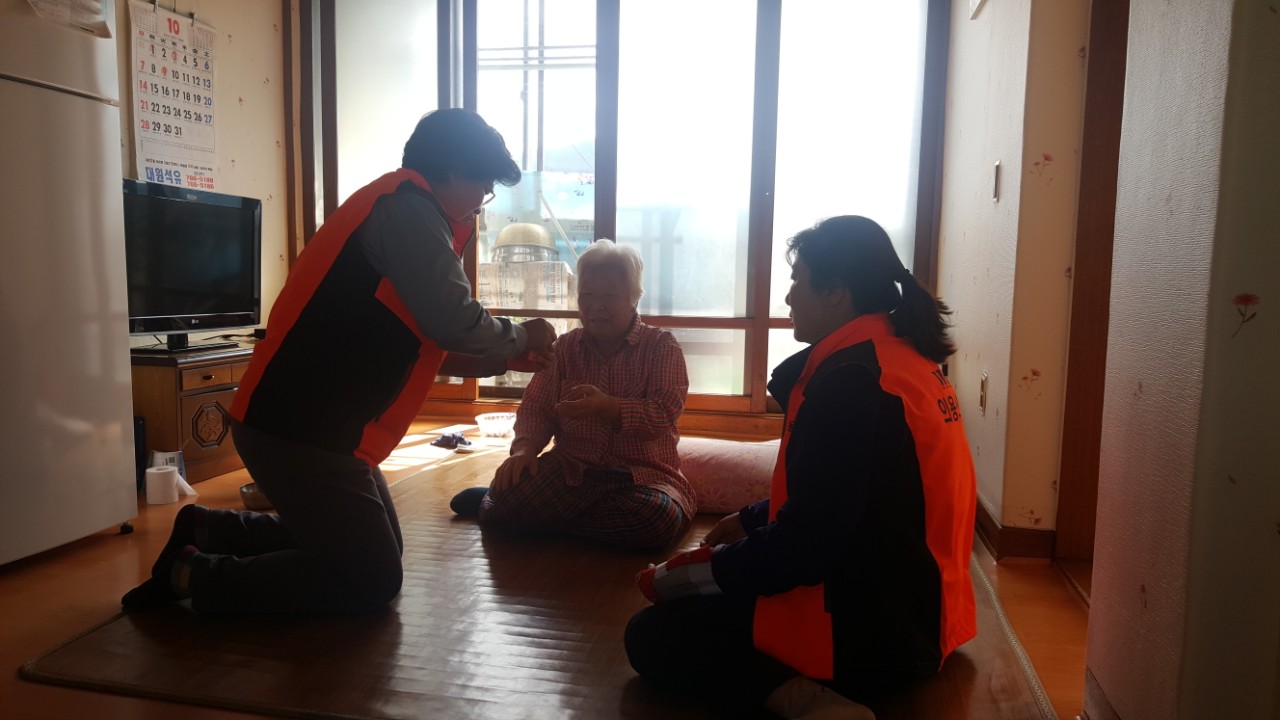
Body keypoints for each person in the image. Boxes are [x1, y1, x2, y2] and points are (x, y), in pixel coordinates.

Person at [122, 108, 557, 614]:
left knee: (372, 549)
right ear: (454, 169)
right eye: (484, 186)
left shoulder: (408, 211)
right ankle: (193, 574)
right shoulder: (409, 212)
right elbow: (453, 319)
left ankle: (207, 529)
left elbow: (420, 342)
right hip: (298, 428)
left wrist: (503, 359)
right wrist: (520, 334)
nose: (483, 201)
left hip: (322, 428)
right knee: (371, 576)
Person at [624, 216, 978, 719]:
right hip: (927, 616)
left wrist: (688, 573)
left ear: (835, 291)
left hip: (872, 637)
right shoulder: (901, 360)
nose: (788, 297)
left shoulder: (849, 382)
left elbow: (803, 549)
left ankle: (809, 699)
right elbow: (854, 493)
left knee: (652, 633)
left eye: (797, 280)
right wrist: (751, 518)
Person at [449, 239, 694, 550]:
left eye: (609, 296)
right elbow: (537, 409)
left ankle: (530, 518)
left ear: (635, 298)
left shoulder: (661, 347)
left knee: (654, 520)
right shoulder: (565, 348)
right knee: (506, 493)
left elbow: (663, 414)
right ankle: (528, 512)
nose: (596, 306)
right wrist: (524, 452)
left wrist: (608, 407)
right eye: (587, 295)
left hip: (641, 477)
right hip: (571, 471)